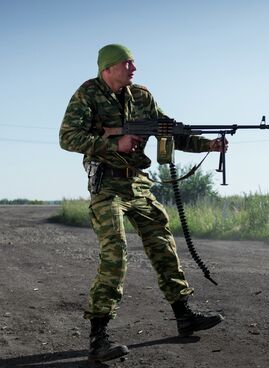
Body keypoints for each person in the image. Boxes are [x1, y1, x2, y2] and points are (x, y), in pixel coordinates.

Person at [59, 44, 226, 363]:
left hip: (136, 180)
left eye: (133, 62)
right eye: (126, 63)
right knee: (115, 252)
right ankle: (98, 336)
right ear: (108, 68)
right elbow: (67, 137)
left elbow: (172, 132)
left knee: (163, 242)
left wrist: (210, 144)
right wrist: (112, 141)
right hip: (106, 182)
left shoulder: (143, 97)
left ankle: (184, 314)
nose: (133, 67)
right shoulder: (87, 94)